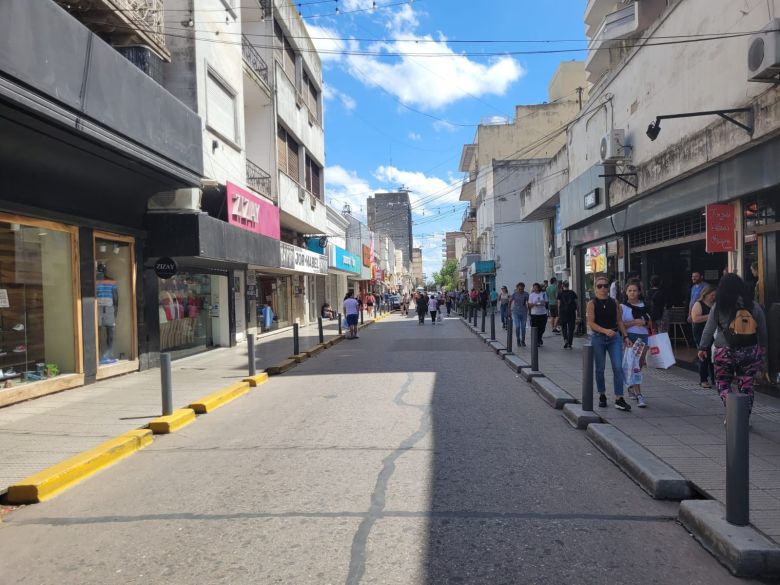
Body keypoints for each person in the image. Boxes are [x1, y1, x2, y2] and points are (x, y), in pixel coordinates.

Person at [697, 273, 768, 418]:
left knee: (722, 382)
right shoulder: (753, 305)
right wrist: (762, 350)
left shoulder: (719, 306)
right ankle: (743, 418)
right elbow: (762, 329)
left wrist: (703, 347)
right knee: (747, 384)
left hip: (724, 351)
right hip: (750, 350)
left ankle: (733, 414)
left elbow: (709, 329)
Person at [587, 274, 632, 411]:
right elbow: (591, 323)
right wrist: (605, 331)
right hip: (598, 337)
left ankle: (619, 397)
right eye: (599, 286)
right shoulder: (592, 303)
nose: (602, 288)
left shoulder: (614, 302)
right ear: (595, 288)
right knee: (600, 369)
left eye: (605, 286)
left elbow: (619, 321)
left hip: (614, 338)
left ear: (608, 287)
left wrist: (625, 336)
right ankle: (602, 395)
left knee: (618, 368)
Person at [621, 282, 651, 408]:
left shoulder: (645, 305)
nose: (632, 293)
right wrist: (634, 322)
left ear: (639, 292)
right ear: (626, 292)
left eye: (635, 290)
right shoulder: (622, 306)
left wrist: (644, 322)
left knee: (639, 364)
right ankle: (639, 395)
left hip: (643, 337)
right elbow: (621, 324)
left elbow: (650, 323)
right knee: (634, 365)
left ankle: (631, 385)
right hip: (631, 338)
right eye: (630, 290)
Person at [691, 285, 716, 388]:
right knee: (704, 354)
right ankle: (703, 379)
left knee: (713, 355)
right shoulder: (698, 304)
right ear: (705, 294)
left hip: (713, 332)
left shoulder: (715, 305)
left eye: (715, 295)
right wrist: (711, 316)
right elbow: (695, 318)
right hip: (701, 332)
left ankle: (714, 378)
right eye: (712, 295)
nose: (713, 297)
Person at [557, 281, 578, 349]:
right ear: (568, 285)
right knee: (571, 328)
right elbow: (576, 303)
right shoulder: (572, 293)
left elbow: (559, 304)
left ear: (563, 285)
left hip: (563, 312)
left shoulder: (560, 293)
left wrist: (559, 313)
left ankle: (565, 340)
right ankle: (570, 343)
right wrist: (578, 311)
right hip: (571, 313)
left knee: (564, 327)